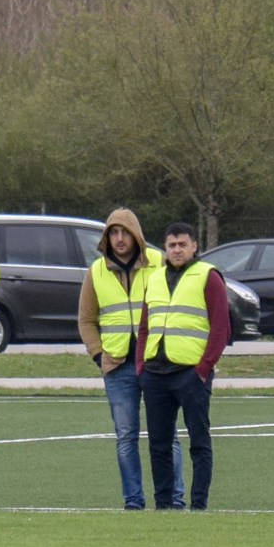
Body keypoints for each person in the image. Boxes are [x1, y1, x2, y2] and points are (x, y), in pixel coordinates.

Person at [78, 208, 183, 510]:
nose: (120, 238)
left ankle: (174, 499)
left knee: (167, 435)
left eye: (125, 232)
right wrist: (98, 354)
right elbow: (86, 320)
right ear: (106, 237)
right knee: (125, 436)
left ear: (136, 234)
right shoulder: (96, 271)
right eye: (114, 232)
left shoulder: (159, 262)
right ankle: (133, 501)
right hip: (117, 365)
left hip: (156, 364)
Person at [135, 222, 229, 510]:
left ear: (194, 246)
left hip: (190, 374)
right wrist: (140, 367)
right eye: (172, 245)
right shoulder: (155, 278)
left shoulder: (208, 276)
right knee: (158, 446)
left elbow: (221, 328)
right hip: (155, 374)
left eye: (182, 244)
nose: (177, 250)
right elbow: (144, 327)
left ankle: (198, 505)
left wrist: (203, 368)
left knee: (198, 443)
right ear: (165, 248)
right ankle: (163, 506)